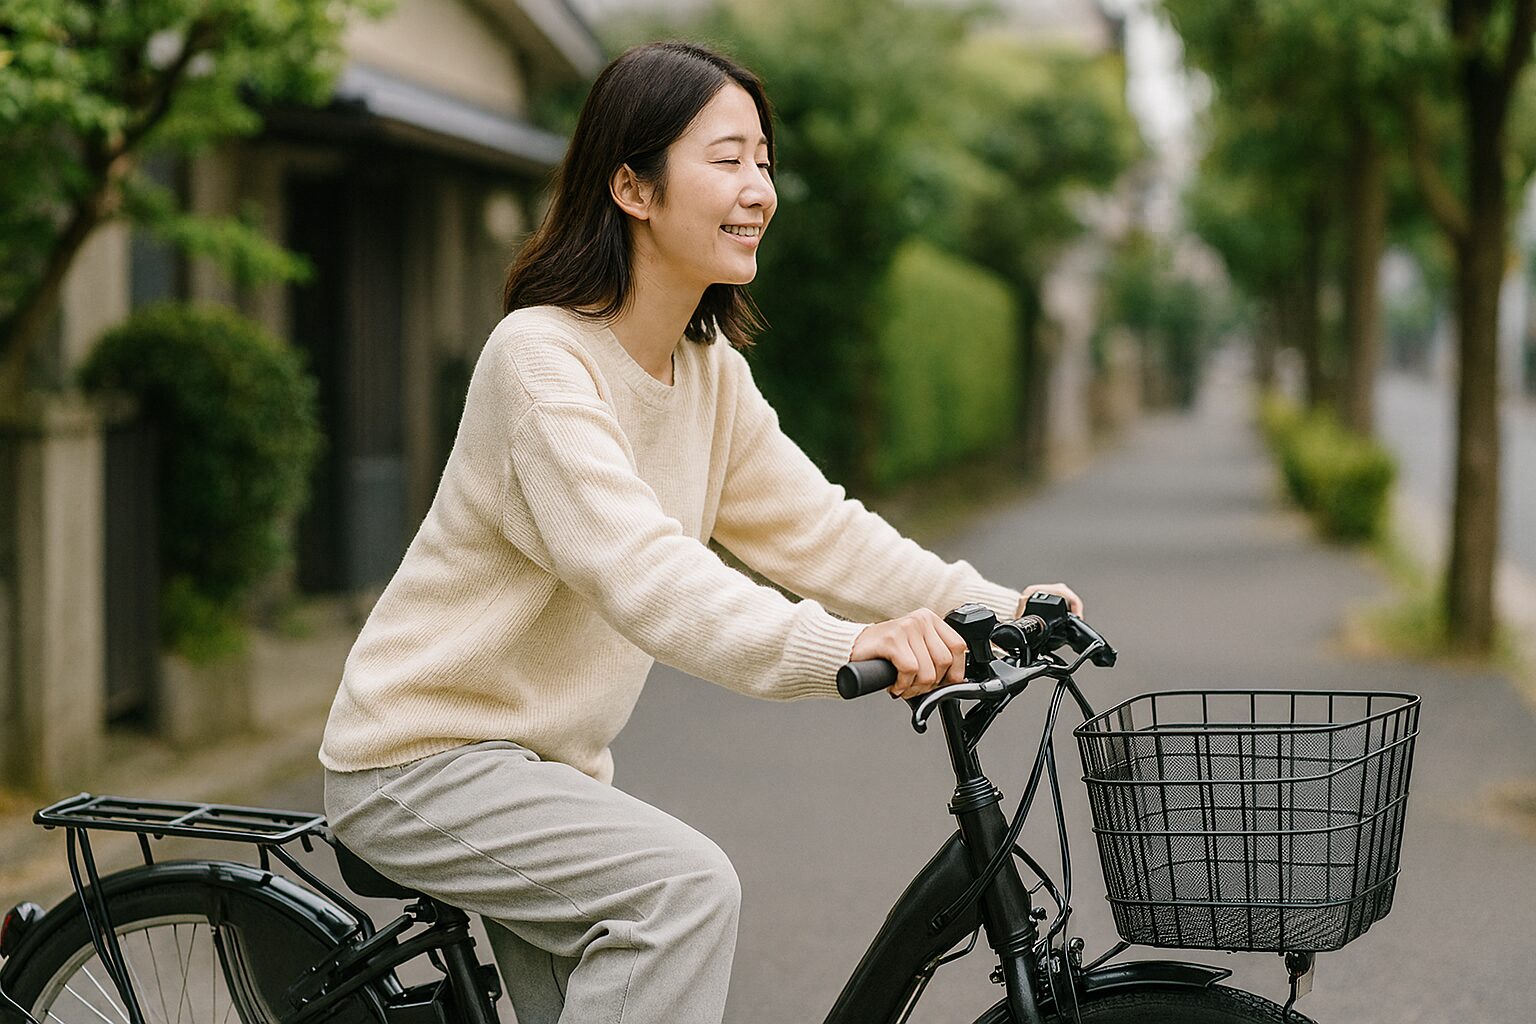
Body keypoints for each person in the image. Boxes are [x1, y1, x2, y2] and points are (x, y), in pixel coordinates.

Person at [320, 40, 1083, 1024]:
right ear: (632, 186)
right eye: (727, 158)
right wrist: (844, 643)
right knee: (683, 891)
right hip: (418, 757)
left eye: (764, 161)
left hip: (547, 771)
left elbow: (818, 529)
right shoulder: (542, 361)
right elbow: (646, 576)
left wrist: (991, 605)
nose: (758, 187)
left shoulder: (707, 365)